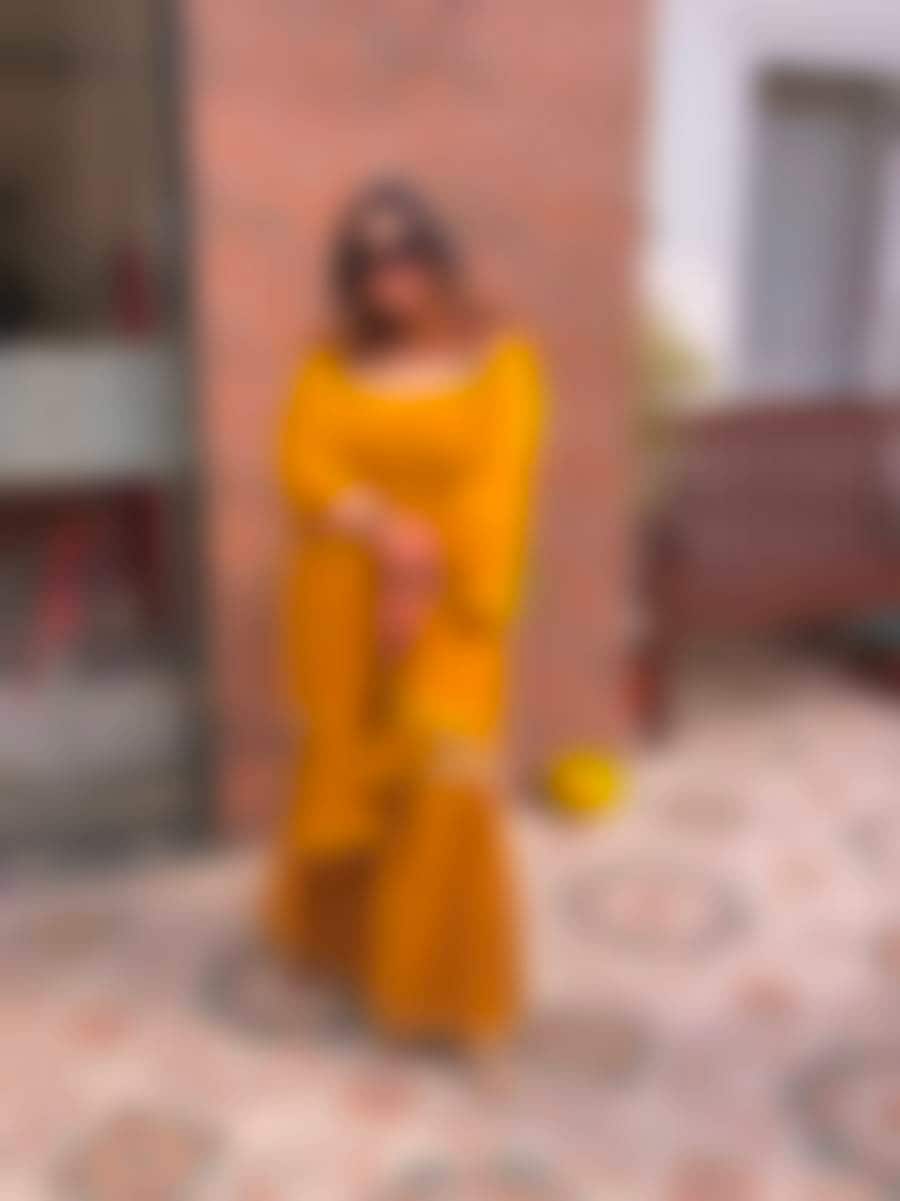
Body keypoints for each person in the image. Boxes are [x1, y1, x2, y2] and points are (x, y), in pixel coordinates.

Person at [266, 178, 546, 1053]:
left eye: (405, 252)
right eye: (364, 260)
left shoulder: (500, 359)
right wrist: (387, 529)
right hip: (343, 606)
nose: (388, 274)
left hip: (452, 610)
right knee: (351, 775)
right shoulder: (330, 360)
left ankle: (456, 997)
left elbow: (499, 488)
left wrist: (422, 577)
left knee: (447, 782)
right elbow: (303, 464)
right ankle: (347, 953)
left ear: (439, 253)